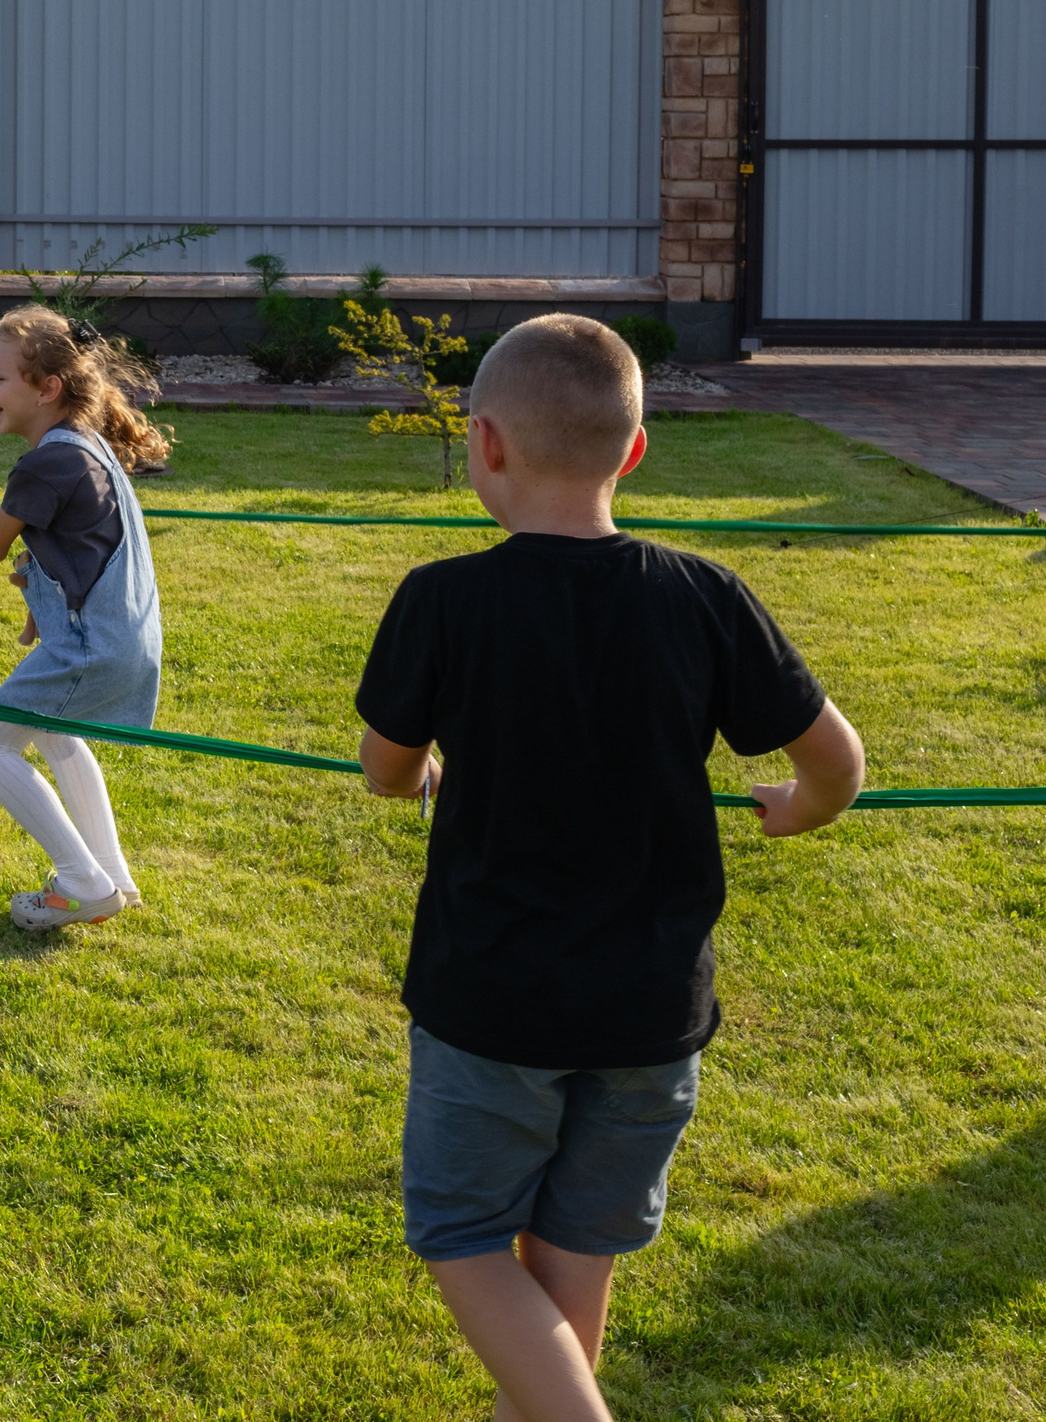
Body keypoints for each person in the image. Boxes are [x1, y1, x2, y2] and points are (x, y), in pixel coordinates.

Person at [354, 313, 867, 1421]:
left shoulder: (442, 599)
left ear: (482, 443)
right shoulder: (703, 595)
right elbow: (836, 762)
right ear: (634, 451)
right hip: (647, 1010)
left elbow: (386, 770)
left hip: (491, 1001)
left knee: (458, 1231)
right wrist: (801, 810)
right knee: (576, 1247)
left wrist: (417, 779)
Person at [0, 304, 171, 932]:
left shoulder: (47, 463)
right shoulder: (90, 449)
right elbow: (83, 550)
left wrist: (17, 557)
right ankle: (114, 875)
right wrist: (44, 602)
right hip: (115, 640)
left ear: (47, 388)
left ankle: (84, 884)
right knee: (54, 732)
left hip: (91, 648)